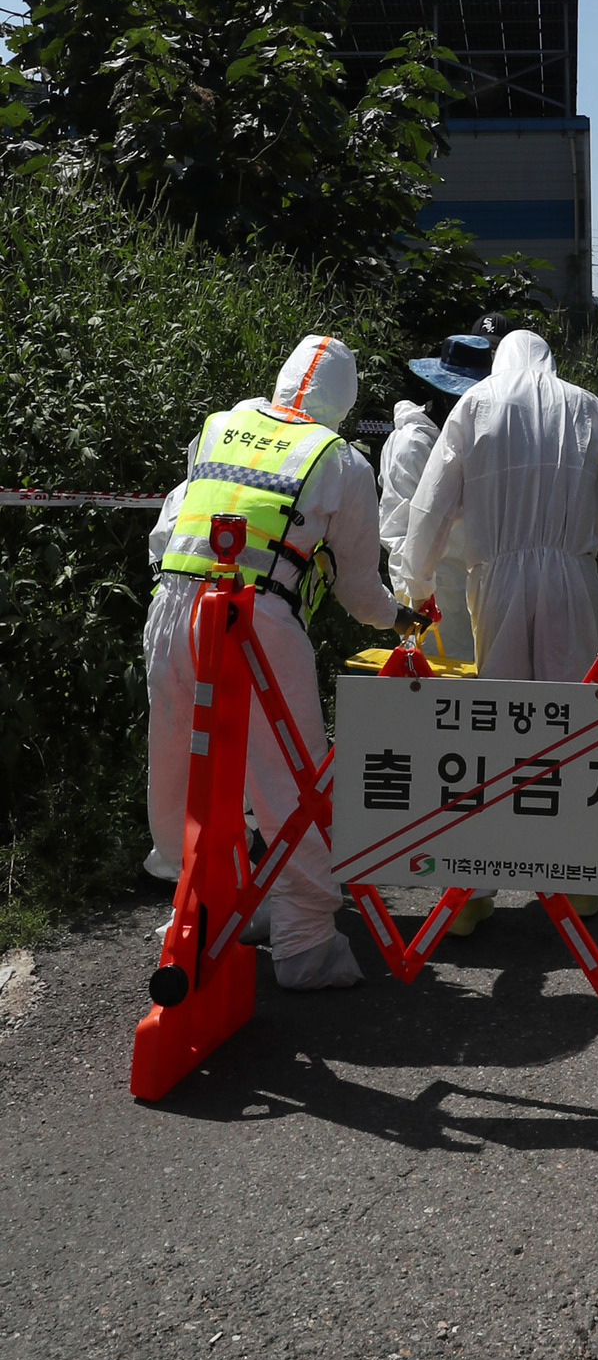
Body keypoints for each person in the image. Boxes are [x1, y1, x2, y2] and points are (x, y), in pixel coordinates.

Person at [145, 335, 414, 990]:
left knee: (187, 768)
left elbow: (168, 522)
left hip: (173, 601)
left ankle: (204, 909)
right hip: (257, 615)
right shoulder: (339, 460)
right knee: (288, 781)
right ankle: (304, 944)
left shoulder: (222, 424)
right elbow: (356, 589)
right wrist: (396, 618)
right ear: (344, 403)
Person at [401, 329, 598, 923]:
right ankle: (577, 883)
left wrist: (414, 583)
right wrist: (571, 549)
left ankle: (470, 893)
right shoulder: (587, 406)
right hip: (570, 578)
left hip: (494, 577)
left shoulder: (474, 405)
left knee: (492, 730)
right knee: (572, 724)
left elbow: (432, 504)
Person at [380, 334, 494, 663]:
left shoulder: (459, 437)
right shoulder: (413, 444)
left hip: (470, 585)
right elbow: (398, 529)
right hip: (433, 590)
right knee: (439, 691)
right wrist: (413, 597)